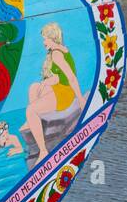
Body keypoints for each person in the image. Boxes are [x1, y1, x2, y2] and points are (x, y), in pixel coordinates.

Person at [24, 22, 83, 161]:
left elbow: (71, 78)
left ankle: (43, 151)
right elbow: (59, 76)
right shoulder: (58, 50)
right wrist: (49, 81)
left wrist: (80, 99)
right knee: (34, 87)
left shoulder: (57, 54)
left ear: (52, 38)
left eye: (45, 39)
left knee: (30, 110)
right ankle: (35, 121)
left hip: (64, 93)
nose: (43, 42)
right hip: (59, 88)